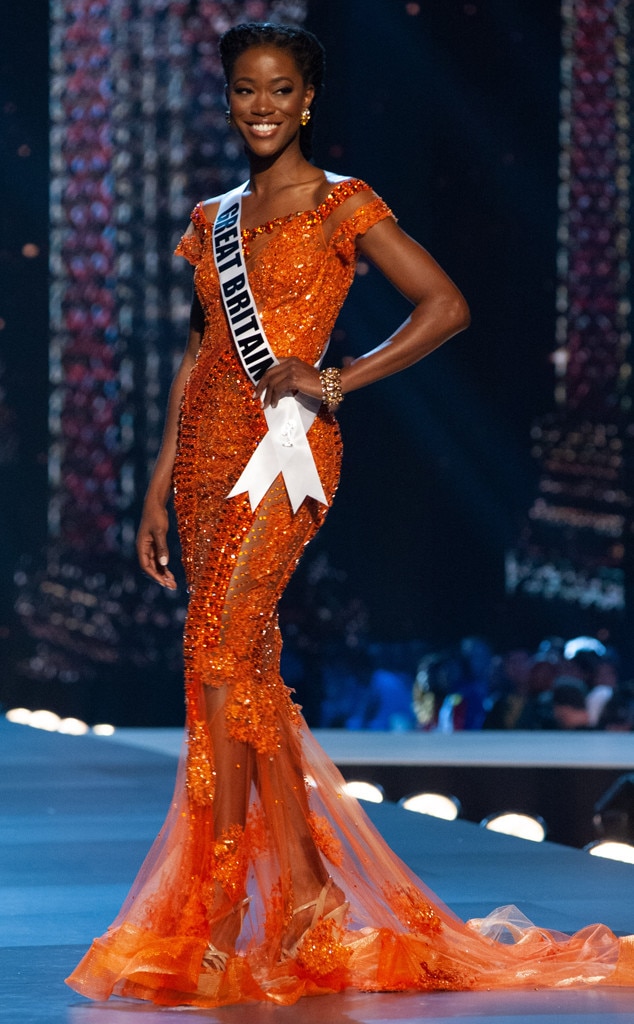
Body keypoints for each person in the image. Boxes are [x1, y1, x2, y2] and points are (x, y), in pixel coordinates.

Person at [66, 21, 634, 1009]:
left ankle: (222, 905)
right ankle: (307, 902)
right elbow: (201, 359)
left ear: (307, 100)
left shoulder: (344, 205)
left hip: (286, 457)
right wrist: (158, 480)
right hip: (203, 457)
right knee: (241, 670)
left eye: (279, 88)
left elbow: (444, 305)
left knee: (216, 660)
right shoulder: (210, 220)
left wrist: (339, 378)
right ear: (231, 97)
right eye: (244, 88)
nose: (261, 105)